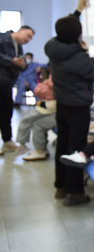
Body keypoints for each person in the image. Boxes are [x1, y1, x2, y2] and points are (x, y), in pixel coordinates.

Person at [45, 0, 94, 206]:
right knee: (76, 149)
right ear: (77, 36)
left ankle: (60, 187)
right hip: (78, 108)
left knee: (62, 145)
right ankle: (75, 192)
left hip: (62, 106)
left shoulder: (53, 47)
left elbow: (66, 29)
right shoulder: (78, 58)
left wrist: (78, 11)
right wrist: (87, 52)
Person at [0, 25, 35, 155]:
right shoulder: (3, 38)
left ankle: (7, 141)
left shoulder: (18, 46)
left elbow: (20, 64)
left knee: (6, 113)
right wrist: (12, 61)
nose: (28, 39)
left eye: (31, 38)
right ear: (21, 30)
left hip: (8, 83)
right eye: (28, 36)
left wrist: (22, 64)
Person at [15, 67, 57, 161]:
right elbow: (39, 89)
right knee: (36, 122)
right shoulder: (56, 73)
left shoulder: (62, 75)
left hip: (57, 110)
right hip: (51, 106)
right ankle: (40, 150)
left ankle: (32, 148)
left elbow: (43, 90)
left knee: (29, 120)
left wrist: (43, 102)